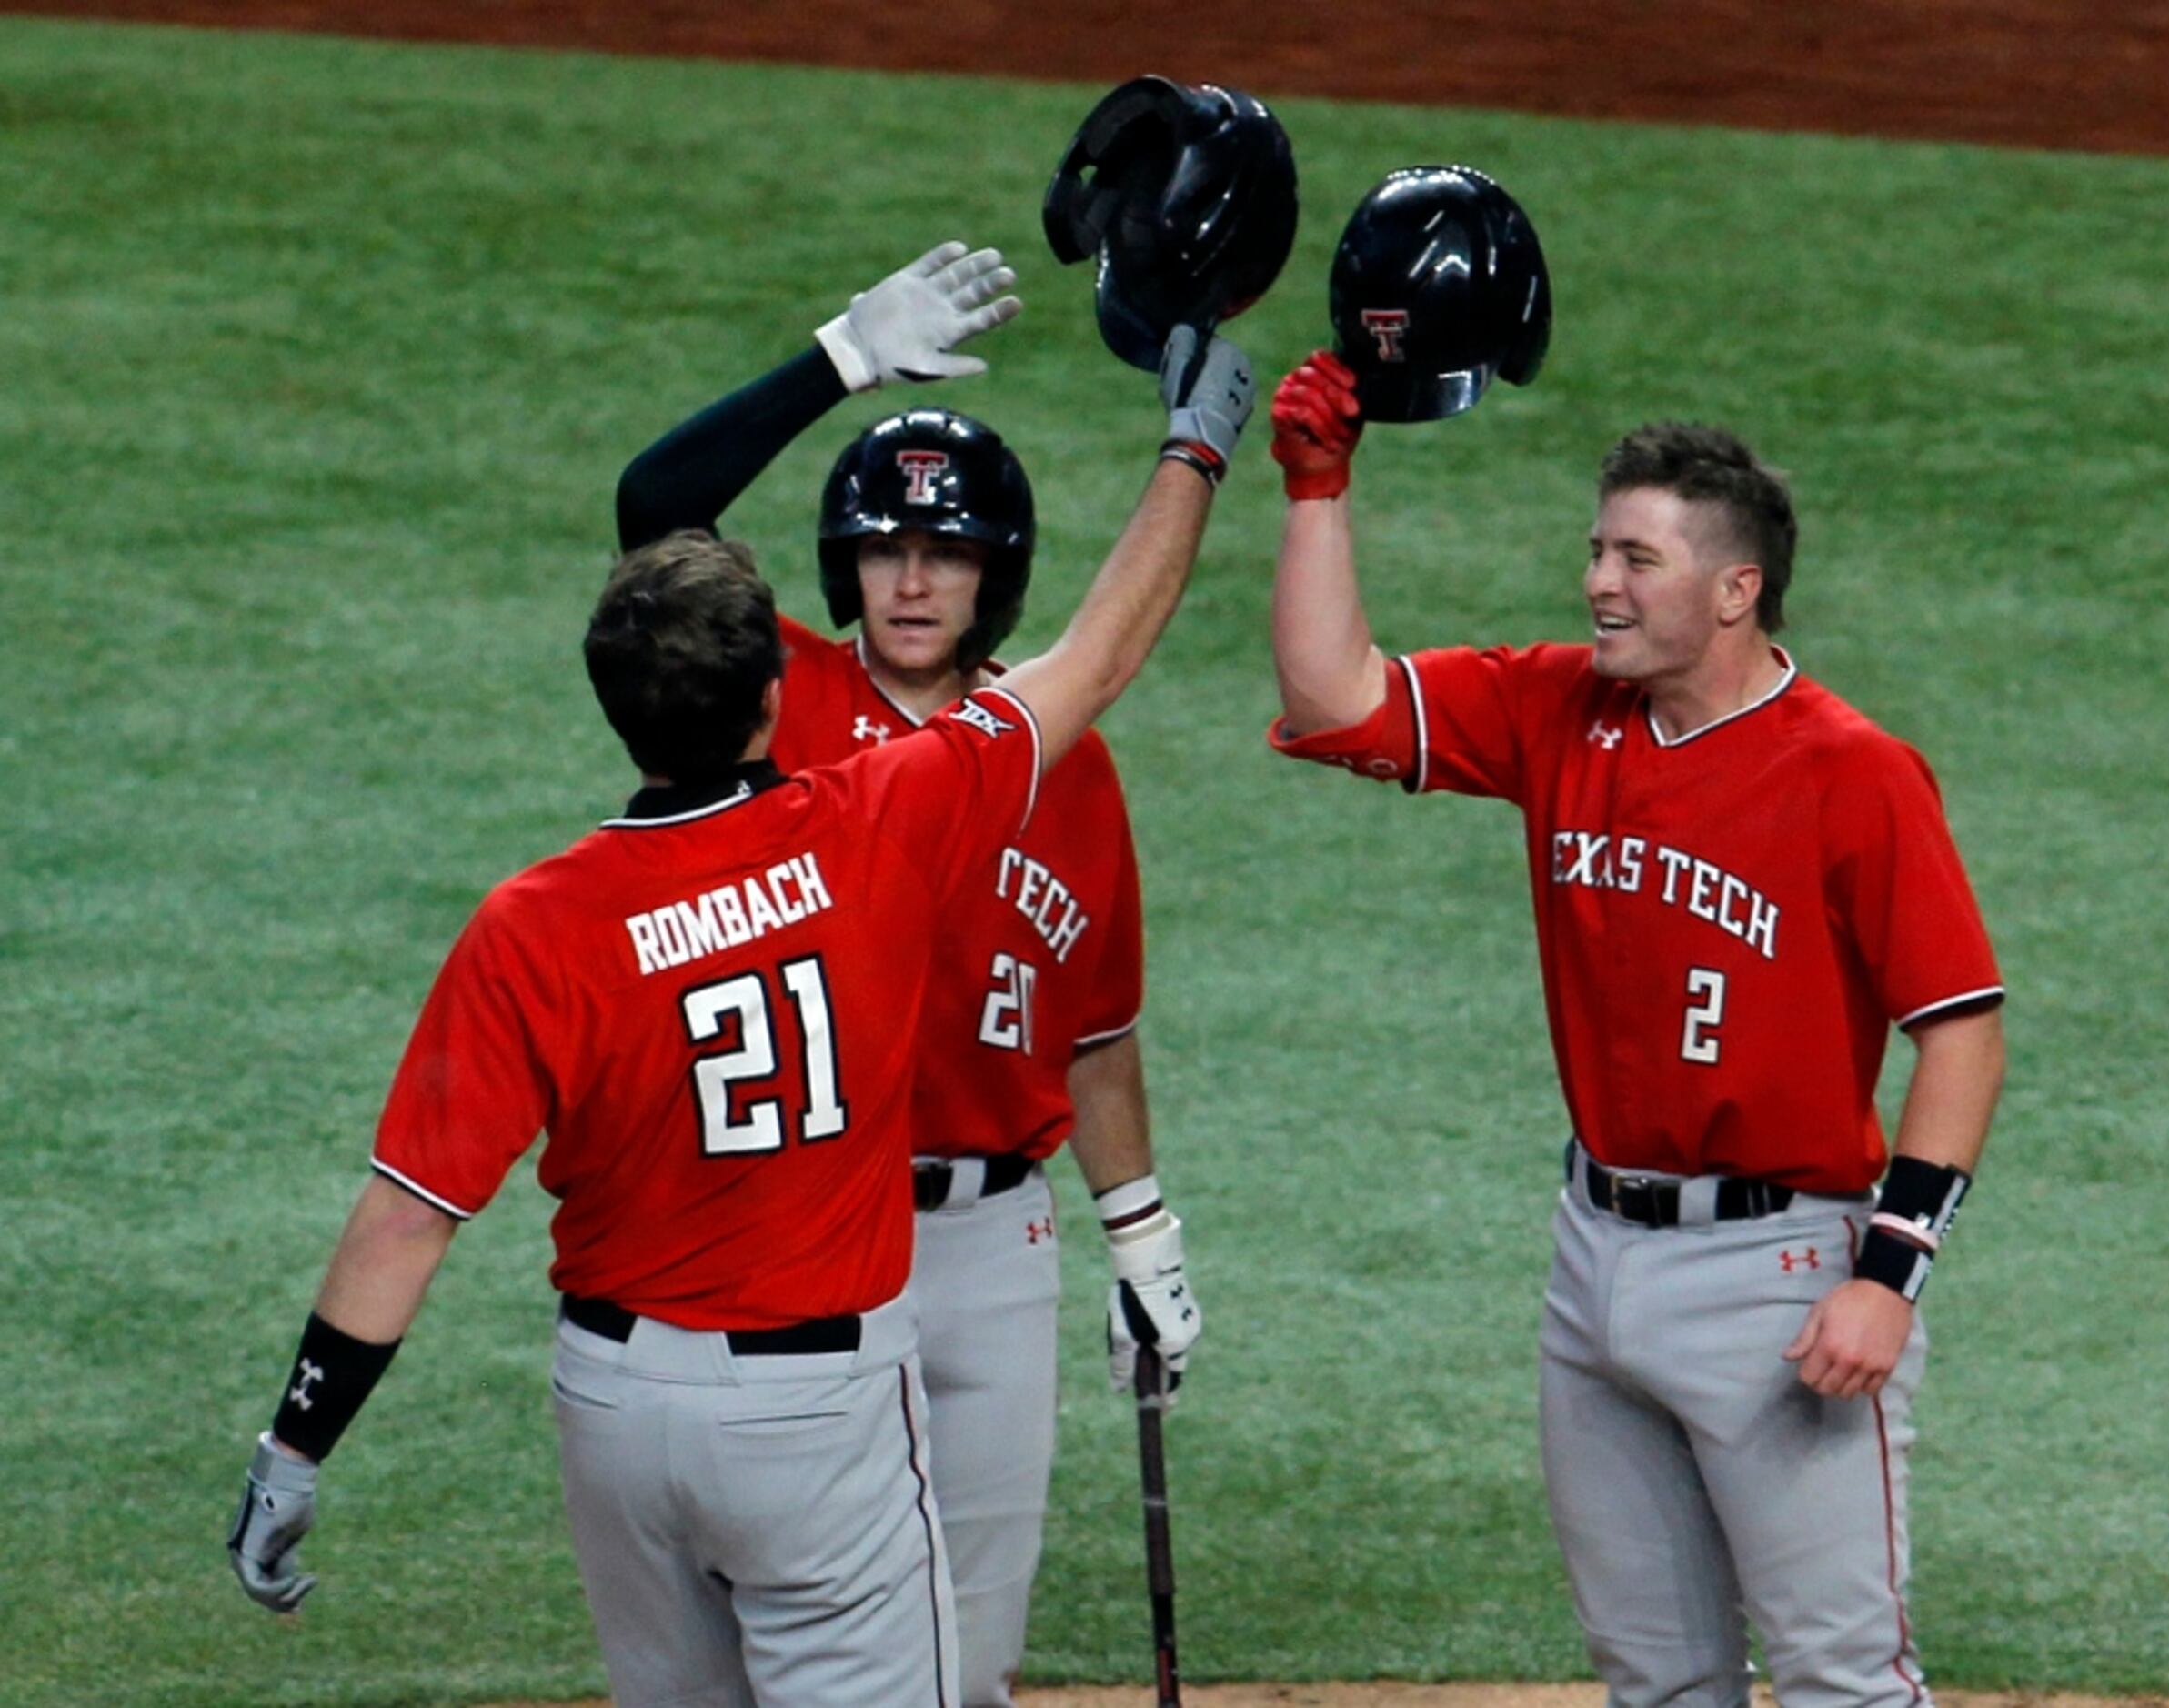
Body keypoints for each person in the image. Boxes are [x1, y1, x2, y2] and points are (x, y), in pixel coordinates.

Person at [223, 240, 1254, 1708]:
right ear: (777, 689)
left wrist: (294, 1444)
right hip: (829, 1367)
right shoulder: (878, 822)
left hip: (621, 1386)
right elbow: (1098, 653)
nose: (914, 576)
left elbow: (405, 1214)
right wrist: (1194, 450)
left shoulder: (534, 920)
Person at [1263, 350, 2005, 1708]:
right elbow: (1334, 694)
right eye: (1598, 549)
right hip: (1591, 1256)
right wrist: (1318, 487)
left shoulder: (1851, 771)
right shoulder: (1561, 708)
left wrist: (1886, 1276)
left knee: (1842, 1676)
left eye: (1636, 557)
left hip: (1779, 1274)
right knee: (1653, 1677)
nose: (1599, 581)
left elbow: (1959, 1030)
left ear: (1736, 588)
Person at [613, 246, 1204, 1707]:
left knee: (969, 1656)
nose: (917, 576)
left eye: (946, 552)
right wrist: (837, 358)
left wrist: (1139, 1235)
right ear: (845, 566)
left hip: (994, 1246)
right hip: (816, 1226)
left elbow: (1100, 1030)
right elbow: (651, 517)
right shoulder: (783, 703)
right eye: (887, 547)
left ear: (997, 574)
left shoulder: (1062, 759)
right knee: (805, 1645)